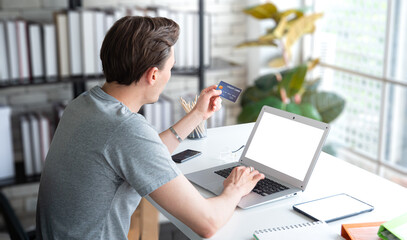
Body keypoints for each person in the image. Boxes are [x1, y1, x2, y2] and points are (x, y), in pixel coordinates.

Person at [36, 16, 264, 239]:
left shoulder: (84, 104)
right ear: (153, 75)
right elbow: (208, 223)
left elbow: (140, 153)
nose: (170, 75)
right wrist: (235, 188)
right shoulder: (125, 129)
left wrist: (198, 115)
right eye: (170, 68)